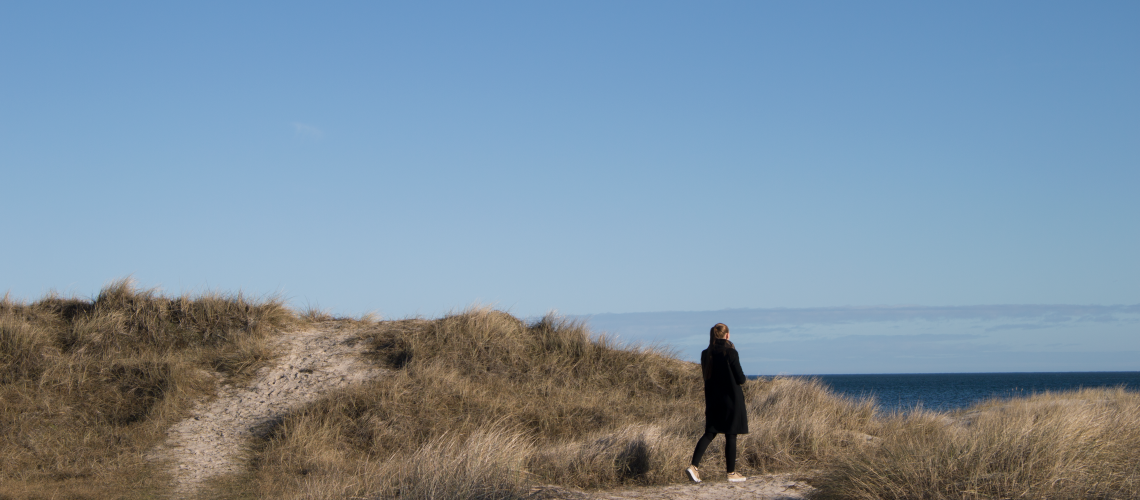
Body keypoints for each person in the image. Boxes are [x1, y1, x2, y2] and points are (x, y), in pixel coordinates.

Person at [685, 323, 748, 483]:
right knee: (731, 434)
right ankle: (731, 473)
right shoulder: (731, 352)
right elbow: (740, 378)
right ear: (726, 335)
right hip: (731, 398)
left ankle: (694, 466)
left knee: (710, 432)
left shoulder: (706, 353)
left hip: (713, 398)